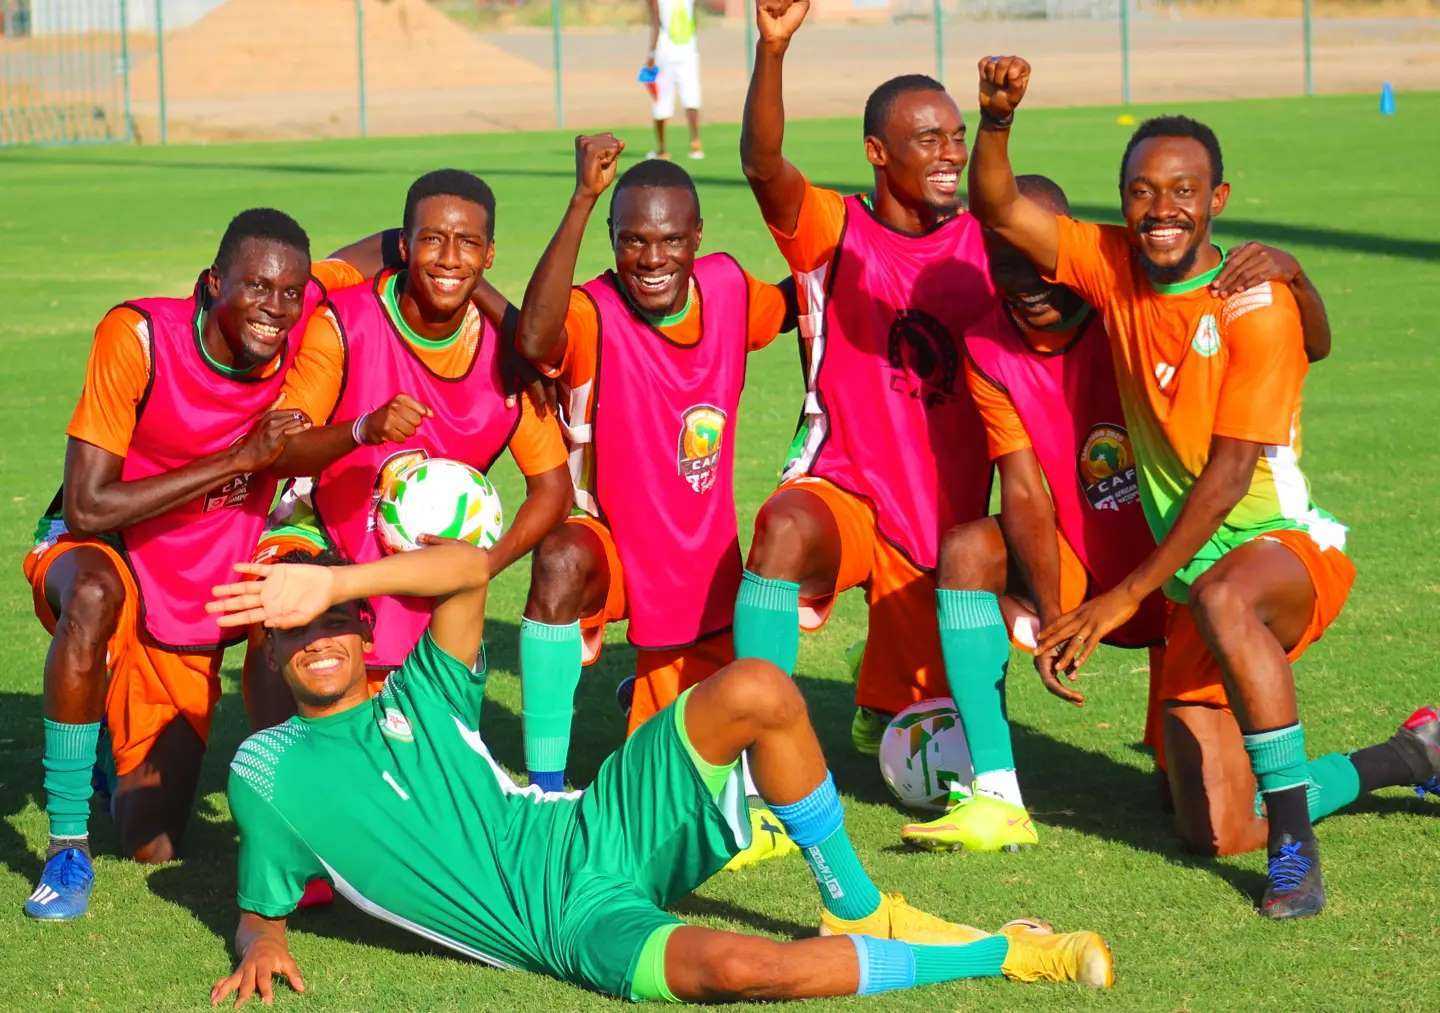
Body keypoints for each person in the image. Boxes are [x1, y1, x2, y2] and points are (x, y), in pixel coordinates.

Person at [206, 541, 1115, 1006]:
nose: (317, 640)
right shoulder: (266, 768)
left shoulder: (423, 687)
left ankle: (856, 900)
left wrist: (337, 581)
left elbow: (469, 571)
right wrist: (263, 943)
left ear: (362, 627)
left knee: (756, 687)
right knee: (747, 966)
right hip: (567, 924)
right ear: (269, 650)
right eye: (293, 630)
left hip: (593, 824)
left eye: (330, 622)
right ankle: (1003, 950)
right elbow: (262, 900)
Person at [965, 55, 1440, 918]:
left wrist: (1121, 596)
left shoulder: (1254, 302)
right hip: (1193, 576)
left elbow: (1226, 479)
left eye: (1183, 191)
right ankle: (1411, 756)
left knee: (1224, 594)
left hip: (1282, 548)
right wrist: (996, 120)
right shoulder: (1108, 264)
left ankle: (1296, 852)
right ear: (1122, 202)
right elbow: (999, 207)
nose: (1162, 210)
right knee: (1214, 827)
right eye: (1142, 192)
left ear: (1217, 198)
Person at [901, 174, 1344, 856]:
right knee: (966, 550)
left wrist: (1295, 275)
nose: (1028, 280)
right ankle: (997, 795)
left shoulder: (1129, 307)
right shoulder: (987, 346)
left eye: (1040, 260)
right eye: (1006, 261)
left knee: (1210, 822)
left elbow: (1306, 347)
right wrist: (1053, 618)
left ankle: (1396, 758)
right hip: (1089, 565)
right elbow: (1024, 491)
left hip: (1185, 568)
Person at [20, 209, 352, 920]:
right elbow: (88, 505)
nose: (275, 307)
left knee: (154, 842)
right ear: (212, 283)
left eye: (290, 293)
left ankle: (290, 818)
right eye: (256, 287)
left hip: (204, 561)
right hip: (107, 542)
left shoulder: (300, 310)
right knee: (93, 596)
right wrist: (238, 459)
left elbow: (392, 247)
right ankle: (67, 847)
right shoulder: (138, 335)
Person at [511, 135, 795, 865]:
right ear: (612, 240)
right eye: (633, 240)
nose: (652, 257)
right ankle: (545, 791)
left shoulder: (729, 288)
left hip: (701, 574)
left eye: (670, 240)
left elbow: (796, 305)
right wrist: (583, 196)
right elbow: (534, 338)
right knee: (559, 558)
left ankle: (652, 701)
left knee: (677, 771)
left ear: (697, 237)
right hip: (610, 545)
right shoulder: (592, 311)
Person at [736, 0, 997, 753]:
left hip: (940, 523)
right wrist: (772, 49)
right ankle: (756, 765)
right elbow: (762, 165)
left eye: (957, 137)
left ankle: (881, 679)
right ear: (878, 152)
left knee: (920, 752)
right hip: (843, 487)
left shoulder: (985, 247)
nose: (950, 154)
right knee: (783, 529)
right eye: (928, 139)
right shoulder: (833, 229)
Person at [240, 169, 571, 729]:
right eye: (432, 239)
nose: (449, 258)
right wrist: (361, 430)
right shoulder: (343, 323)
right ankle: (279, 756)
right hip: (323, 524)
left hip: (432, 557)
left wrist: (478, 566)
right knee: (276, 590)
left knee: (421, 748)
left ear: (489, 255)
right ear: (403, 246)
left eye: (467, 242)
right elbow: (281, 450)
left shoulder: (508, 355)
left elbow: (553, 490)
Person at [644, 0, 703, 160]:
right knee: (691, 96)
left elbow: (656, 23)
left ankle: (662, 149)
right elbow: (694, 19)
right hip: (688, 51)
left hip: (665, 52)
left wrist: (651, 54)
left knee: (662, 99)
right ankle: (695, 144)